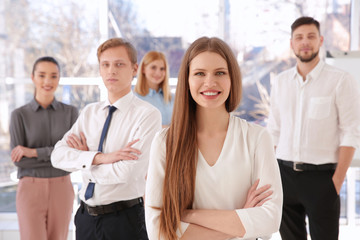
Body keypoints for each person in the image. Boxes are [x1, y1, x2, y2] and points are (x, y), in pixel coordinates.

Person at [145, 37, 283, 240]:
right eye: (199, 73)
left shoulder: (256, 138)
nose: (210, 82)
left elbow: (269, 220)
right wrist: (241, 221)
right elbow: (158, 231)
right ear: (187, 80)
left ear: (232, 79)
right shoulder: (165, 142)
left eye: (220, 73)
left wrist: (188, 215)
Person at [51, 38, 162, 240]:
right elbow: (57, 157)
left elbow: (129, 172)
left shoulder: (147, 115)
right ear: (100, 70)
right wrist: (101, 158)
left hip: (124, 220)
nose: (112, 71)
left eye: (119, 64)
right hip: (85, 219)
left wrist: (83, 161)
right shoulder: (89, 113)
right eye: (106, 65)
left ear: (134, 68)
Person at [267, 16, 360, 240]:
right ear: (292, 44)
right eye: (299, 37)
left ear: (320, 40)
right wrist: (270, 176)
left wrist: (336, 182)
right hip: (284, 175)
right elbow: (274, 131)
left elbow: (351, 131)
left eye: (310, 36)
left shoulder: (340, 80)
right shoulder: (280, 82)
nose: (305, 42)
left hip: (323, 179)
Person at [9, 56, 78, 240]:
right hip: (30, 189)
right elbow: (19, 161)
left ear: (59, 79)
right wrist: (57, 155)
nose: (48, 81)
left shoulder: (71, 113)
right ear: (33, 77)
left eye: (53, 76)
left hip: (62, 187)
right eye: (42, 75)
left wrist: (33, 152)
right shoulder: (19, 115)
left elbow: (73, 156)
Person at [134, 51, 174, 127]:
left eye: (162, 69)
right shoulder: (134, 98)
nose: (158, 73)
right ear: (143, 69)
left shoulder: (173, 98)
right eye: (153, 67)